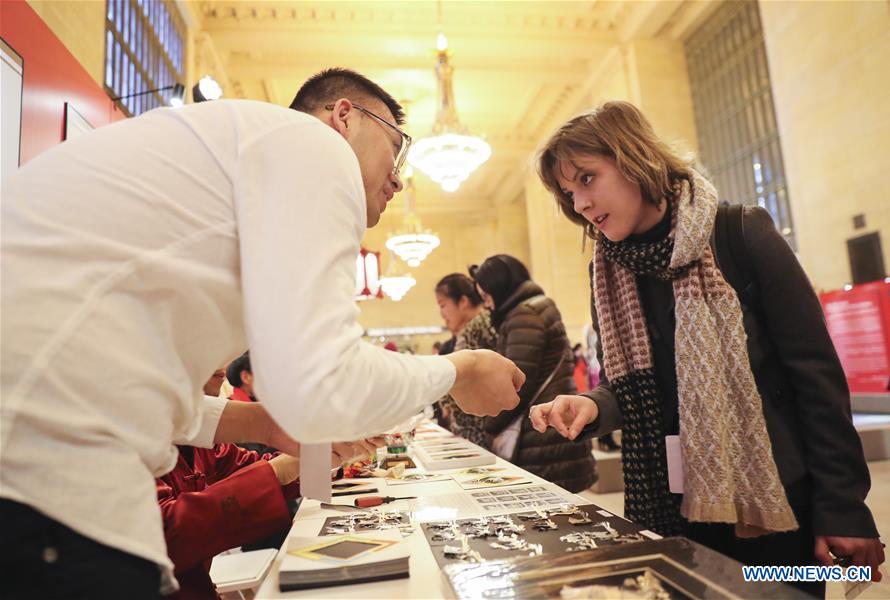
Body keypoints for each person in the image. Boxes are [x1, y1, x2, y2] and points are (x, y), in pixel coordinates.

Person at [1, 67, 525, 598]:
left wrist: (265, 424)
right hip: (42, 462)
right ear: (343, 117)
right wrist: (462, 369)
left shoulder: (244, 160)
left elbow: (131, 377)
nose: (398, 177)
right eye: (396, 146)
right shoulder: (316, 148)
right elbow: (323, 383)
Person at [529, 100, 884, 595]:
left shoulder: (740, 233)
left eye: (587, 178)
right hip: (673, 508)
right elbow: (631, 389)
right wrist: (590, 405)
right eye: (568, 193)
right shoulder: (609, 273)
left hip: (773, 506)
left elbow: (816, 375)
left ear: (635, 159)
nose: (579, 204)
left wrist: (844, 507)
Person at [159, 434, 379, 600]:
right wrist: (280, 468)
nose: (221, 372)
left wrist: (330, 459)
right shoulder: (134, 440)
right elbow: (162, 534)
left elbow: (250, 464)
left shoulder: (196, 437)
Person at [469, 255, 596, 493]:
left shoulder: (525, 315)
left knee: (551, 515)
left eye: (486, 297)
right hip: (552, 430)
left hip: (540, 437)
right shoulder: (535, 308)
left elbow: (516, 385)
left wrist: (489, 424)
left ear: (499, 288)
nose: (486, 305)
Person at [434, 273, 497, 449]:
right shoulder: (483, 323)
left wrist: (446, 402)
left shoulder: (476, 327)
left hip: (479, 428)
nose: (442, 314)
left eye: (443, 305)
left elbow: (459, 376)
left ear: (463, 301)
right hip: (481, 427)